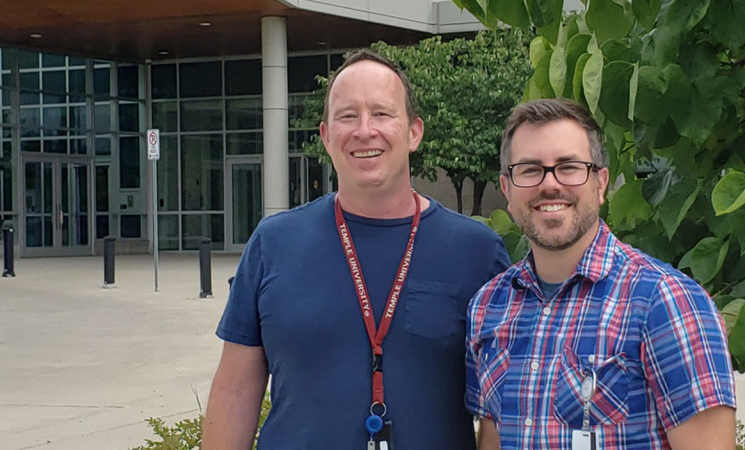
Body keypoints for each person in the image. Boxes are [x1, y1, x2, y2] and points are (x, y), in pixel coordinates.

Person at [202, 50, 509, 450]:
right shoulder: (274, 242)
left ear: (414, 132)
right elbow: (235, 391)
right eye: (348, 116)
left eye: (382, 114)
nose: (365, 130)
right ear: (326, 135)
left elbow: (499, 409)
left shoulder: (477, 252)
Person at [465, 98, 737, 449]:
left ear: (601, 183)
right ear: (506, 188)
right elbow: (493, 440)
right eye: (530, 169)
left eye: (569, 166)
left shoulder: (668, 303)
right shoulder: (488, 307)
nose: (550, 184)